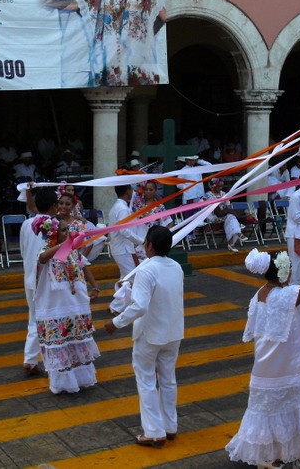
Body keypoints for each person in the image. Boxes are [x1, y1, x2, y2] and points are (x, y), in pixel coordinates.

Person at [225, 245, 300, 467]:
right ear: (283, 272)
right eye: (289, 268)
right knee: (284, 407)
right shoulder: (285, 295)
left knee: (270, 410)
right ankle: (275, 456)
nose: (291, 272)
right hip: (284, 364)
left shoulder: (260, 294)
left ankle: (275, 456)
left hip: (268, 363)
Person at [105, 227, 184, 448]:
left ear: (148, 245)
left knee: (147, 380)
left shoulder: (146, 270)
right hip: (173, 331)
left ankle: (154, 431)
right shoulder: (176, 267)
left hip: (150, 333)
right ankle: (170, 427)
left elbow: (140, 306)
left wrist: (116, 322)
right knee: (168, 379)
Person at [33, 216, 101, 394]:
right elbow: (42, 257)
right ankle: (63, 383)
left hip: (75, 305)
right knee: (60, 344)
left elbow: (84, 267)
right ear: (54, 233)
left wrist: (94, 286)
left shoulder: (73, 251)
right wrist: (66, 244)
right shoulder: (47, 250)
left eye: (68, 230)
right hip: (56, 307)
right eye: (63, 230)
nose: (68, 233)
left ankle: (81, 379)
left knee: (76, 342)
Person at [19, 188, 58, 376]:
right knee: (49, 319)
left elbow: (23, 249)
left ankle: (30, 359)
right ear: (53, 206)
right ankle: (48, 359)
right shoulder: (54, 224)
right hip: (46, 279)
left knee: (34, 318)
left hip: (29, 277)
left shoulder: (26, 224)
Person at [109, 185, 146, 313]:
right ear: (127, 191)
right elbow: (124, 230)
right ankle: (117, 306)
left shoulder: (118, 207)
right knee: (131, 277)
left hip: (122, 248)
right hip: (122, 248)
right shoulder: (122, 208)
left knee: (126, 276)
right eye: (131, 190)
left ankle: (121, 305)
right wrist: (142, 241)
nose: (133, 192)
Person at [203, 178, 247, 252]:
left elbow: (228, 205)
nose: (221, 188)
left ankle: (234, 240)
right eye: (219, 186)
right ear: (213, 186)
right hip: (213, 216)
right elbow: (205, 210)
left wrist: (227, 210)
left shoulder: (223, 194)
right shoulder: (207, 195)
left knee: (231, 217)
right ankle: (236, 237)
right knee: (232, 218)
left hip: (224, 214)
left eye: (222, 186)